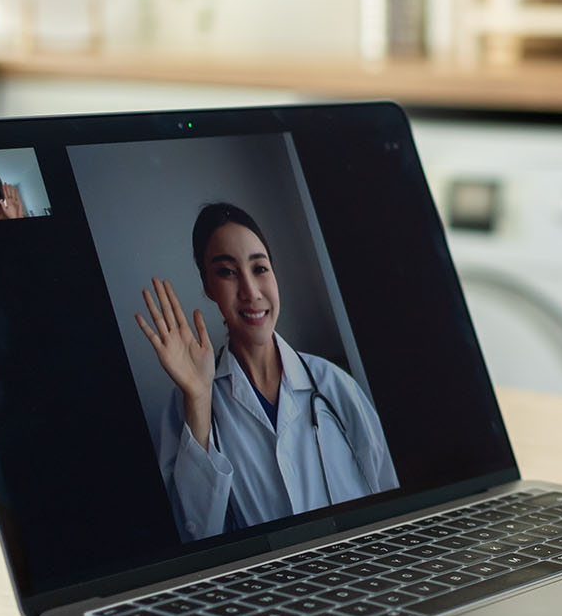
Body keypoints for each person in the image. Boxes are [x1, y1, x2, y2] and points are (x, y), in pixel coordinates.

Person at [134, 202, 399, 541]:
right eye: (227, 272)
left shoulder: (333, 385)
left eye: (259, 268)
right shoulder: (186, 405)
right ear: (208, 287)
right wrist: (199, 400)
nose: (251, 292)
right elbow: (196, 537)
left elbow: (392, 503)